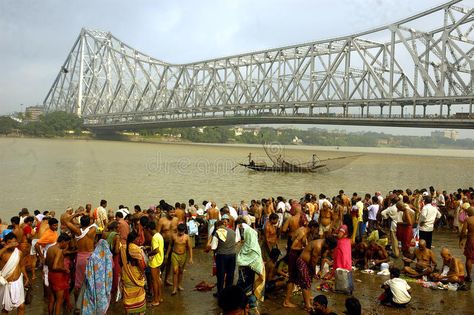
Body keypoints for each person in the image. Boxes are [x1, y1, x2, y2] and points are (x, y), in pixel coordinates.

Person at [292, 237, 337, 311]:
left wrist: (321, 271)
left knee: (309, 282)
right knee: (305, 283)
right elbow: (313, 261)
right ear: (327, 244)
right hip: (303, 262)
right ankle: (307, 305)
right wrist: (313, 273)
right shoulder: (318, 246)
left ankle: (308, 299)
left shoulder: (325, 247)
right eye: (329, 247)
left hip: (309, 264)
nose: (329, 249)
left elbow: (323, 259)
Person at [63, 212, 97, 304]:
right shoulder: (93, 229)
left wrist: (77, 213)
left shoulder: (77, 231)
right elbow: (94, 220)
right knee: (91, 282)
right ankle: (90, 303)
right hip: (90, 257)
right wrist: (88, 216)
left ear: (81, 222)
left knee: (78, 284)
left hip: (80, 258)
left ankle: (77, 305)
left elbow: (66, 221)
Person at [235, 218, 265, 311]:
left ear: (240, 225)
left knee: (243, 286)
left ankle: (247, 307)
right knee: (249, 285)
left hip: (247, 264)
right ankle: (251, 307)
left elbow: (248, 246)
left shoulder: (247, 232)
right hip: (254, 262)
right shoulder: (252, 233)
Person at [81, 239, 113, 315]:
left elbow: (88, 273)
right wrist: (108, 288)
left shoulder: (92, 257)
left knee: (91, 302)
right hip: (103, 286)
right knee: (102, 303)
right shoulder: (108, 257)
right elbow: (109, 275)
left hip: (93, 283)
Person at [0, 233, 29, 314]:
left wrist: (26, 278)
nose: (13, 244)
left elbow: (22, 266)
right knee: (5, 308)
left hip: (18, 282)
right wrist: (7, 247)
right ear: (5, 243)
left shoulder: (19, 253)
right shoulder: (2, 253)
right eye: (10, 242)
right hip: (6, 284)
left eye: (14, 242)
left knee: (21, 306)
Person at [45, 233, 71, 315]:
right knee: (59, 301)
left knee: (52, 300)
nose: (67, 245)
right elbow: (55, 266)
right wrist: (64, 269)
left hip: (50, 275)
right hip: (58, 277)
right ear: (63, 241)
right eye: (67, 243)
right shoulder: (59, 250)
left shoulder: (50, 248)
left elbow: (45, 262)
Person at [121, 231, 146, 315]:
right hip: (135, 274)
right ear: (134, 239)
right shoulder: (135, 248)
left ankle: (129, 311)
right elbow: (140, 263)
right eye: (137, 238)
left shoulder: (123, 247)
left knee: (128, 293)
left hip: (126, 274)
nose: (139, 239)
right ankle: (139, 312)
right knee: (139, 292)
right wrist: (143, 273)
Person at [211, 220, 237, 297]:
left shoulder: (217, 232)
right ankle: (228, 292)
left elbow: (213, 247)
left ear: (217, 227)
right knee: (230, 274)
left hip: (222, 256)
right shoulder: (232, 231)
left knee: (221, 275)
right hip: (232, 255)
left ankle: (220, 293)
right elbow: (235, 242)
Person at [167, 223, 193, 295]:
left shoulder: (187, 237)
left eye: (182, 231)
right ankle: (174, 288)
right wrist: (167, 254)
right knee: (175, 271)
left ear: (184, 230)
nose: (181, 232)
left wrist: (191, 258)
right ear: (177, 230)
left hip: (183, 255)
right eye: (180, 231)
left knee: (181, 271)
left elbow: (190, 248)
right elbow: (170, 245)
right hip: (175, 254)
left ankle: (179, 285)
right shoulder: (174, 236)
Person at [157, 208, 178, 286]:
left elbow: (178, 231)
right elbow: (157, 233)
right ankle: (159, 277)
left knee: (169, 262)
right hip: (163, 244)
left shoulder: (176, 220)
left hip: (172, 244)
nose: (172, 214)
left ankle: (166, 279)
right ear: (167, 212)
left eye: (173, 212)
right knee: (162, 262)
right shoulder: (162, 220)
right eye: (171, 212)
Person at [147, 221, 164, 306]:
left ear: (149, 229)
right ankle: (159, 297)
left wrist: (148, 254)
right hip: (160, 259)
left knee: (154, 281)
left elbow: (156, 250)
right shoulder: (159, 235)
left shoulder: (154, 237)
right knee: (158, 279)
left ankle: (155, 300)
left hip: (155, 261)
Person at [459, 206, 474, 282]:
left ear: (468, 213)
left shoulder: (468, 220)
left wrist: (461, 240)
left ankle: (469, 276)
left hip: (471, 240)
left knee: (469, 258)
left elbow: (463, 232)